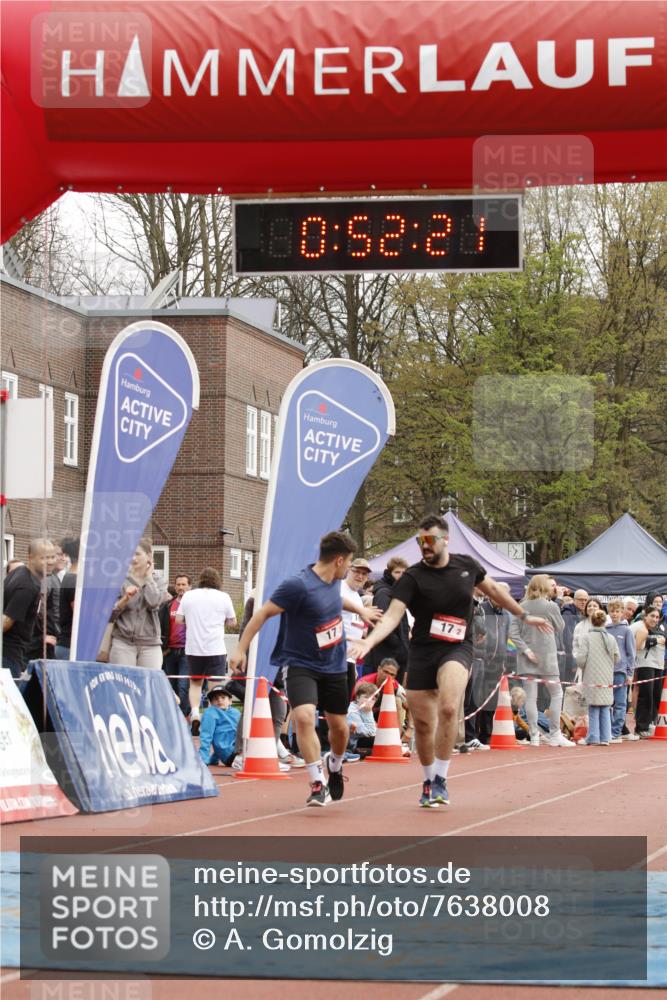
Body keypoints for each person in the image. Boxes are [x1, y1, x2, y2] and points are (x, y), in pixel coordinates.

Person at [349, 515, 554, 809]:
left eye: (430, 540)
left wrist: (522, 615)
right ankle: (428, 779)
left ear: (445, 540)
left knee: (447, 707)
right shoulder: (412, 577)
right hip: (422, 650)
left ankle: (442, 779)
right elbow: (393, 615)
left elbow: (495, 590)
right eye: (420, 541)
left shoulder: (466, 566)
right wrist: (369, 641)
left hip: (457, 647)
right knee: (422, 723)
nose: (424, 546)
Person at [229, 531, 376, 807]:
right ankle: (317, 782)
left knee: (340, 728)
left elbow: (336, 600)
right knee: (305, 717)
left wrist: (361, 610)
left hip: (334, 664)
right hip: (300, 663)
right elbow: (262, 614)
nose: (351, 569)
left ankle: (334, 763)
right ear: (340, 560)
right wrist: (239, 650)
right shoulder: (297, 585)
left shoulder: (334, 581)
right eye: (351, 563)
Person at [509, 574, 573, 749]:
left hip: (526, 658)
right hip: (547, 655)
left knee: (531, 697)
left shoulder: (521, 605)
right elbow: (561, 627)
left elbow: (513, 633)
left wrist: (526, 650)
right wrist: (558, 602)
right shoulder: (550, 606)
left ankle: (534, 735)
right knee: (556, 693)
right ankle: (554, 734)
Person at [176, 566, 237, 734]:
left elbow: (179, 620)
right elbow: (233, 622)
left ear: (200, 580)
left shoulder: (188, 596)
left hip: (193, 648)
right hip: (215, 647)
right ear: (217, 580)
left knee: (195, 684)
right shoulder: (223, 597)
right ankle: (211, 718)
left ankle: (195, 714)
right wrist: (219, 621)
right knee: (215, 686)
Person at [108, 539, 170, 668]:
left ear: (149, 556)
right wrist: (124, 599)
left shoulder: (159, 581)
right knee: (123, 683)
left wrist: (148, 578)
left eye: (137, 554)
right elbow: (109, 615)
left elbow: (153, 603)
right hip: (123, 642)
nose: (133, 558)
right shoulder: (119, 580)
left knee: (148, 684)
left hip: (150, 644)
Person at [2, 538, 55, 677]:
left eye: (52, 557)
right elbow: (5, 622)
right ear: (31, 558)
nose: (50, 562)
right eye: (44, 558)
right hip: (8, 655)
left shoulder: (18, 571)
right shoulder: (27, 586)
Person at [362, 556, 410, 681]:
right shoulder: (384, 593)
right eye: (397, 572)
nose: (401, 576)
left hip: (391, 656)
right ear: (389, 573)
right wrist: (398, 646)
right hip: (383, 657)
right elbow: (382, 621)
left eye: (403, 573)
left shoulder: (396, 591)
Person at [576, 609, 619, 746]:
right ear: (604, 621)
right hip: (607, 676)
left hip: (591, 676)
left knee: (593, 707)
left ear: (592, 621)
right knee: (605, 707)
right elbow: (617, 657)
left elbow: (581, 660)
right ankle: (606, 737)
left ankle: (593, 737)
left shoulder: (587, 637)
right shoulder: (611, 638)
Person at [477, 582, 512, 745]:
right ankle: (477, 734)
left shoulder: (505, 614)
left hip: (498, 662)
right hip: (482, 659)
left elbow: (505, 638)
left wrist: (504, 659)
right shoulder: (482, 609)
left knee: (492, 699)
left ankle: (487, 733)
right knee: (477, 697)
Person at [605, 599, 638, 743]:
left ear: (622, 612)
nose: (614, 614)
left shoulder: (627, 631)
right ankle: (608, 730)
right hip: (605, 672)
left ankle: (616, 731)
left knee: (620, 703)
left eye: (617, 611)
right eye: (612, 611)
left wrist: (630, 673)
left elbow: (631, 653)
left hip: (620, 672)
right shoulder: (605, 630)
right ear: (609, 612)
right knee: (606, 703)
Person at [631, 606, 665, 738]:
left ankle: (651, 723)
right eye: (652, 616)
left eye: (657, 617)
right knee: (646, 695)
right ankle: (641, 727)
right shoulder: (641, 628)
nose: (655, 619)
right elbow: (638, 645)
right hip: (645, 664)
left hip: (659, 665)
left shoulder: (661, 628)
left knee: (656, 695)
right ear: (645, 616)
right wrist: (656, 640)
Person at [160, 573, 192, 717]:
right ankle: (172, 716)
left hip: (187, 650)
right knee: (170, 686)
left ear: (189, 586)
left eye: (183, 584)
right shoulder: (167, 605)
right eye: (178, 584)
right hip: (170, 651)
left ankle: (183, 716)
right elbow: (160, 626)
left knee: (183, 686)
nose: (180, 587)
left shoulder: (193, 605)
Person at [198, 683, 241, 767]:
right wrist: (203, 759)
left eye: (223, 697)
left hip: (242, 748)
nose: (219, 700)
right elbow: (206, 736)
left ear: (230, 701)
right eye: (215, 698)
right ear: (211, 703)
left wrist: (214, 759)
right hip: (231, 754)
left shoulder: (236, 713)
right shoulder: (210, 713)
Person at [55, 537, 79, 660]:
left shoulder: (70, 578)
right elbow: (80, 615)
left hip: (68, 645)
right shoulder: (74, 581)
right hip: (70, 647)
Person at [561, 589, 588, 681]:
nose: (583, 602)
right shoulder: (568, 614)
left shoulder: (583, 613)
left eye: (585, 600)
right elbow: (568, 638)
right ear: (574, 600)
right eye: (581, 599)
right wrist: (573, 662)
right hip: (570, 658)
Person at [346, 681, 378, 756]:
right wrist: (369, 712)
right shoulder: (352, 712)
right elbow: (369, 733)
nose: (369, 701)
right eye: (366, 697)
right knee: (379, 740)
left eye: (373, 699)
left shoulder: (365, 710)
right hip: (354, 744)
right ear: (357, 697)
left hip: (363, 740)